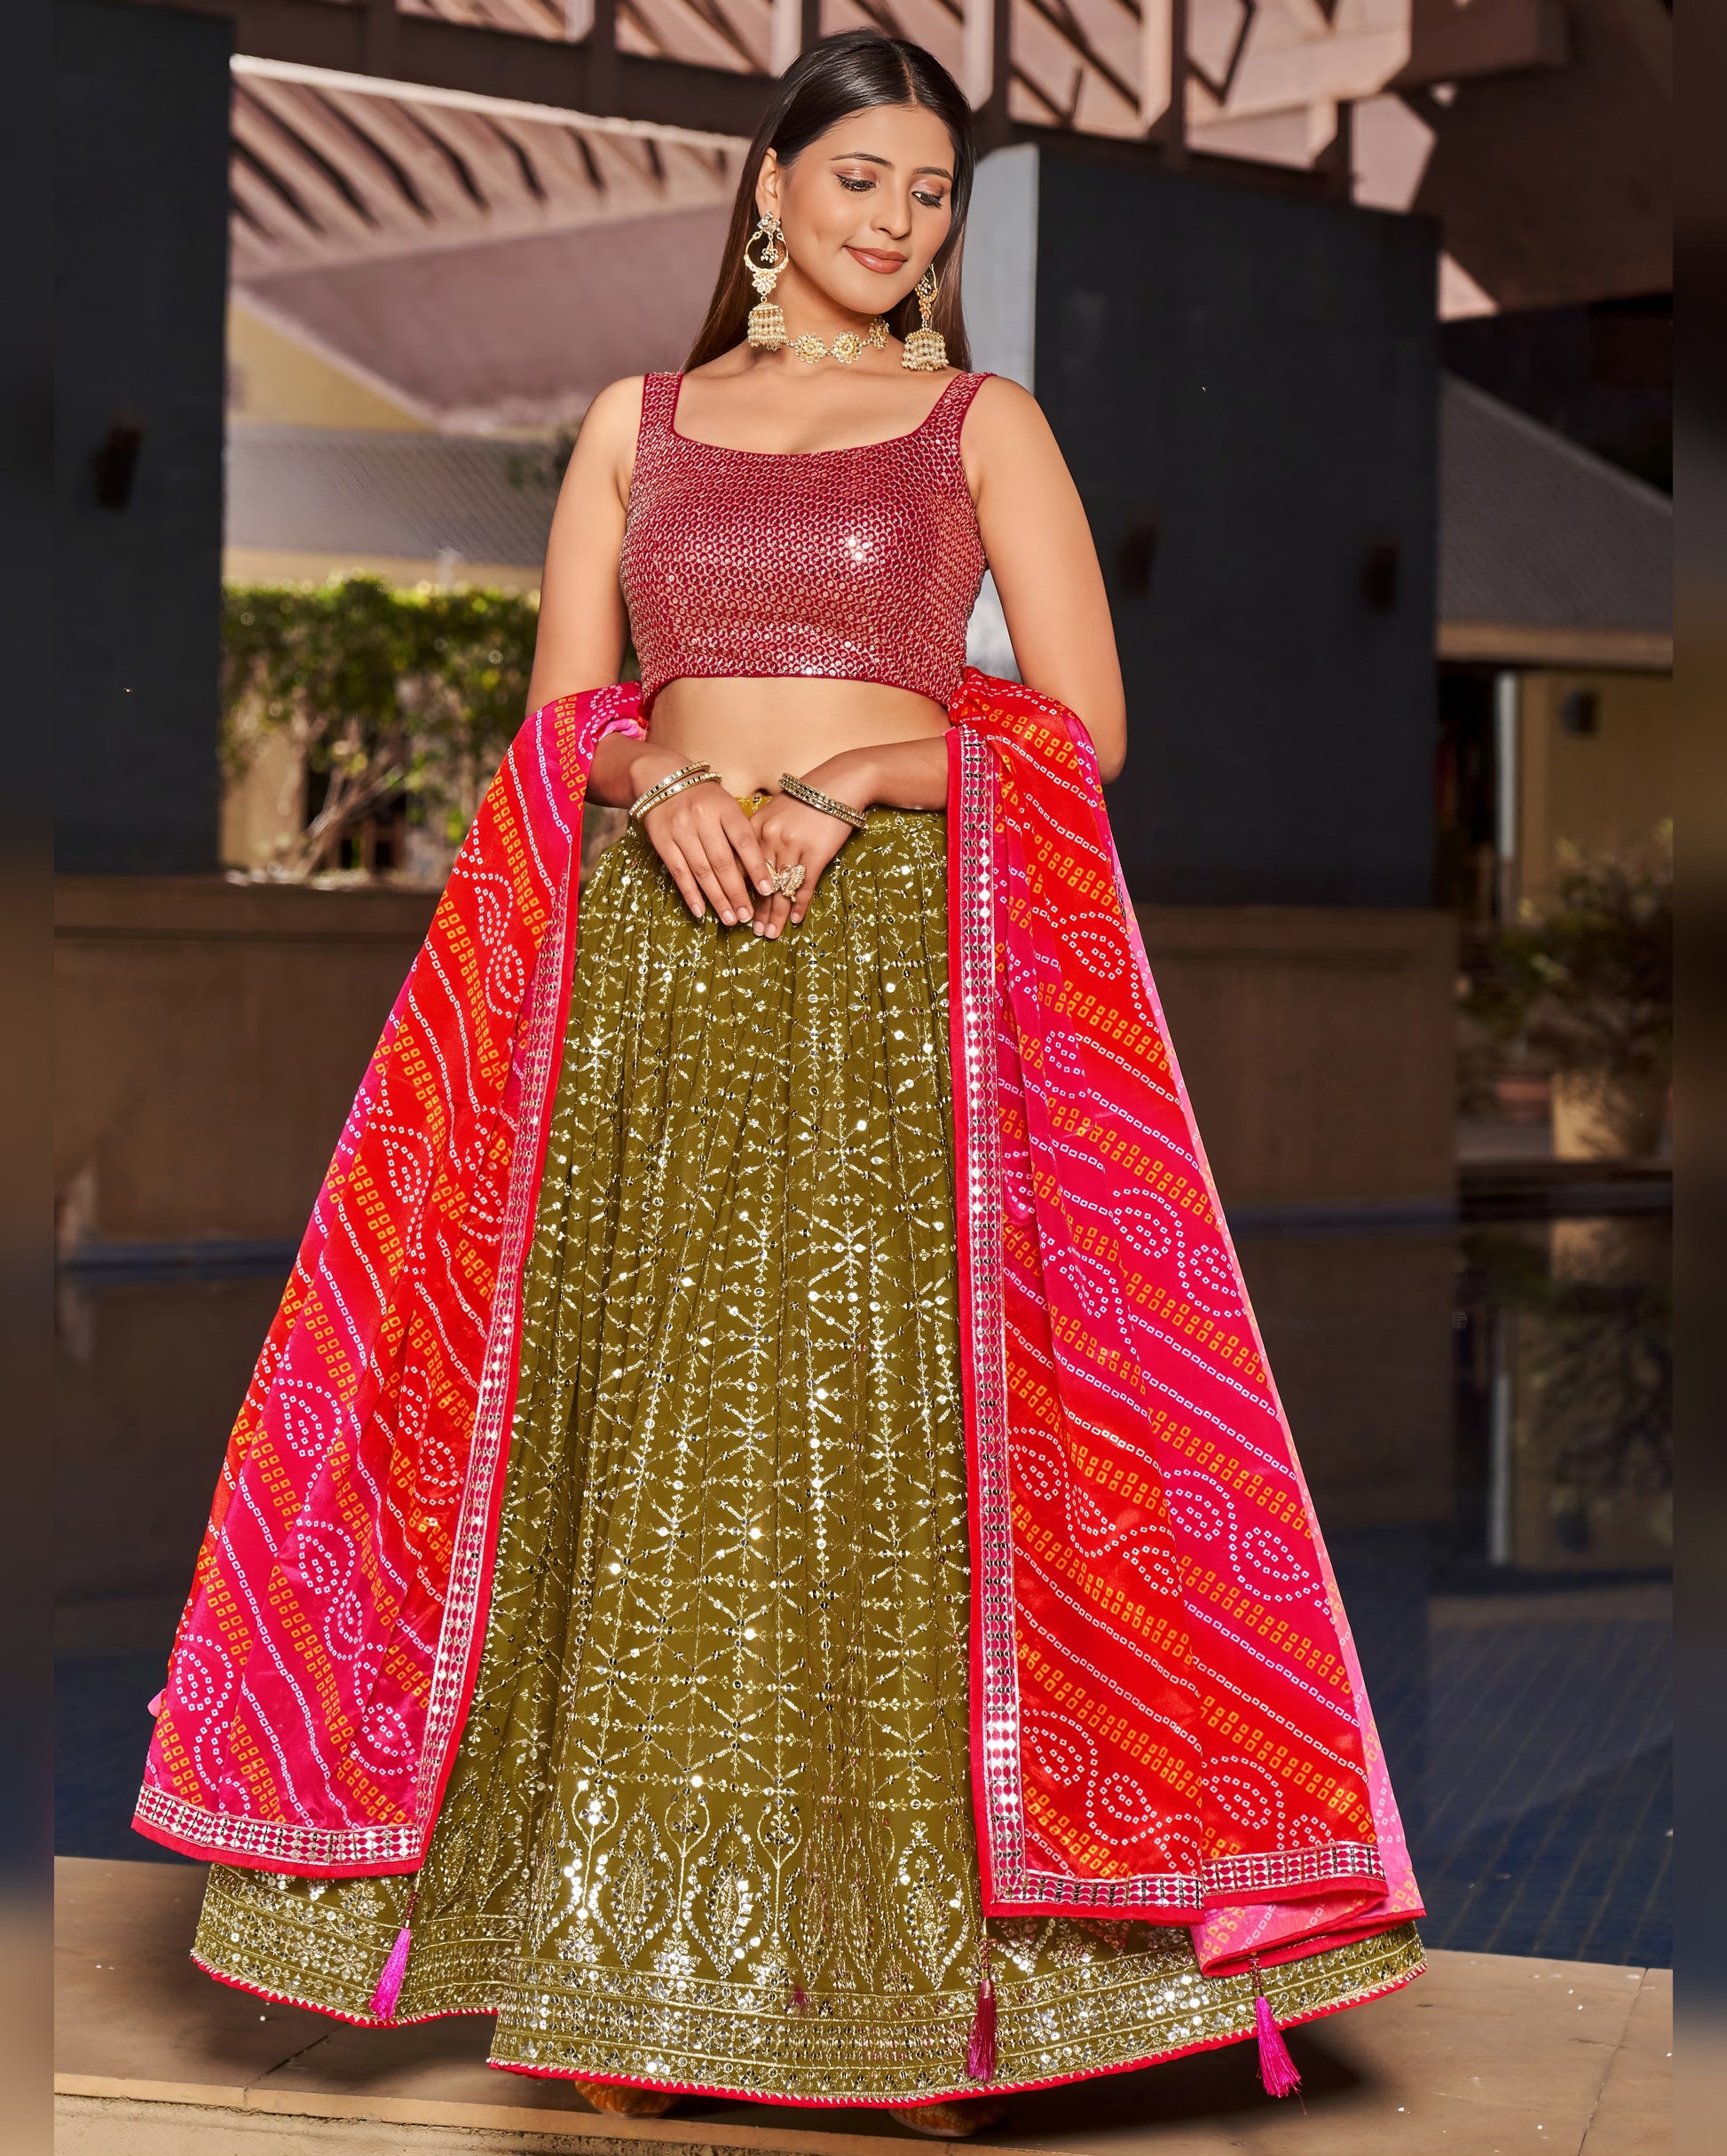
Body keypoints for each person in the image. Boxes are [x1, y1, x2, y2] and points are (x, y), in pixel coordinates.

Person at [137, 31, 1423, 2137]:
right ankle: (618, 1986)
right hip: (651, 970)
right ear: (774, 187)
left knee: (880, 1450)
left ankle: (910, 2003)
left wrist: (841, 782)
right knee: (638, 1448)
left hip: (890, 975)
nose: (899, 222)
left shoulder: (977, 423)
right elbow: (566, 720)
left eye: (933, 193)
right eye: (868, 181)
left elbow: (1077, 726)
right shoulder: (636, 426)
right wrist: (667, 793)